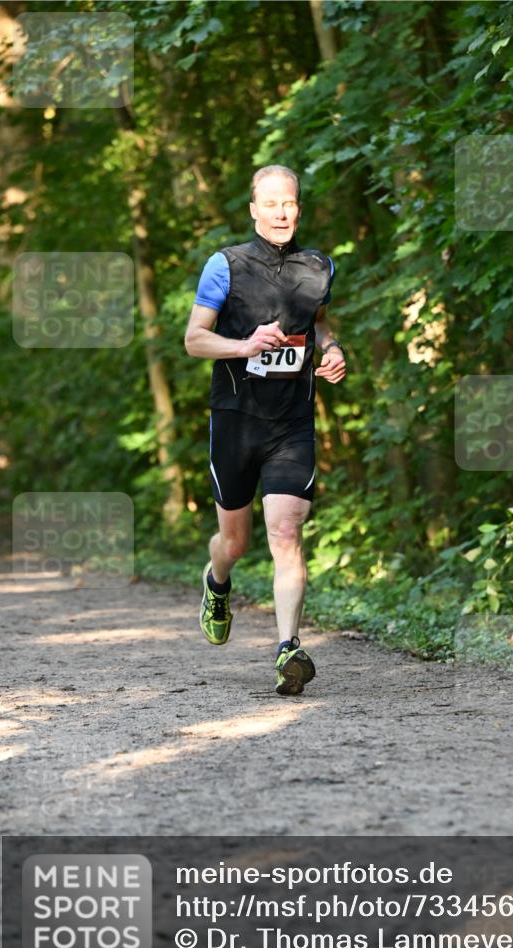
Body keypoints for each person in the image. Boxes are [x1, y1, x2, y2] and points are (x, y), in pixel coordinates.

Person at [184, 165, 346, 695]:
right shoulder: (225, 265)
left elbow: (318, 321)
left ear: (299, 208)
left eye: (289, 203)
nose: (281, 212)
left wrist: (332, 349)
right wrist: (244, 346)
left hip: (291, 422)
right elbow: (194, 339)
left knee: (286, 530)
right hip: (236, 420)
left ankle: (288, 649)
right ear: (254, 209)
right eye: (271, 203)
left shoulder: (318, 266)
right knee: (234, 542)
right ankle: (217, 581)